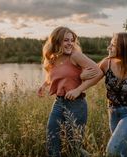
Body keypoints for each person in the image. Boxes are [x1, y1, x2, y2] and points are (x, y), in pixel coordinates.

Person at [37, 26, 102, 157]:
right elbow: (55, 75)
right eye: (66, 40)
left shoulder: (75, 56)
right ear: (57, 41)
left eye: (72, 40)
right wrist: (44, 85)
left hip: (76, 105)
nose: (70, 43)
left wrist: (79, 89)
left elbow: (98, 72)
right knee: (52, 143)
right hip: (58, 103)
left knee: (74, 149)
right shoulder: (53, 58)